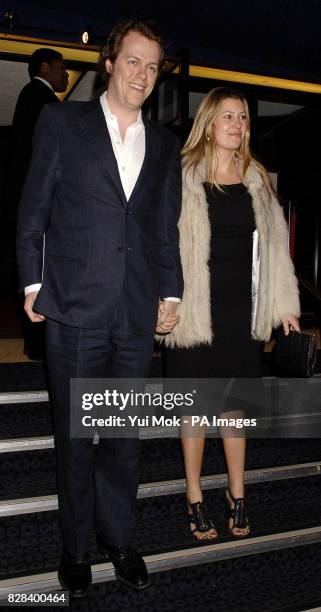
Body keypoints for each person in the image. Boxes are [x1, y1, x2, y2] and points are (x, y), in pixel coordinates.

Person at [16, 19, 183, 598]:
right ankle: (76, 547)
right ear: (109, 63)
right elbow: (33, 209)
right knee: (74, 436)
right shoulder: (63, 122)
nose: (142, 74)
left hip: (135, 313)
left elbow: (165, 228)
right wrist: (31, 282)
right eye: (133, 61)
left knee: (122, 435)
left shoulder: (164, 143)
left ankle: (118, 539)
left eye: (153, 66)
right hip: (75, 308)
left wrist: (172, 293)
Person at [164, 87, 300, 540]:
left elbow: (277, 248)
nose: (238, 124)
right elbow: (161, 245)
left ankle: (237, 494)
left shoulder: (257, 178)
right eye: (228, 116)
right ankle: (194, 494)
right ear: (208, 122)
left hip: (243, 312)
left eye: (242, 117)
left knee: (235, 409)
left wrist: (284, 308)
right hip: (195, 310)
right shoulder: (184, 176)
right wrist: (162, 299)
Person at [9, 48, 69, 359]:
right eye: (61, 67)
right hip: (43, 201)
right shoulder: (44, 102)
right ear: (45, 68)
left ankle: (36, 342)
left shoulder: (28, 97)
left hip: (28, 197)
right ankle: (39, 342)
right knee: (43, 267)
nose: (67, 74)